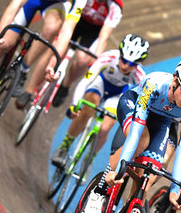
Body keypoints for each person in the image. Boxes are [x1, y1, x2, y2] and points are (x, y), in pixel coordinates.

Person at [68, 56, 181, 213]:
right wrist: (120, 168)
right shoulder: (155, 83)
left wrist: (175, 188)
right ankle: (100, 190)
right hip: (133, 108)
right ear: (175, 81)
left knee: (148, 179)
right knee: (141, 139)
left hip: (163, 123)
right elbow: (136, 132)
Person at [0, 0, 88, 107]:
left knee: (53, 27)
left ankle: (23, 68)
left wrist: (53, 65)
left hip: (54, 6)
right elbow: (17, 3)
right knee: (3, 44)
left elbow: (66, 32)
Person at [50, 33, 148, 167]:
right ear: (119, 54)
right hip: (100, 84)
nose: (125, 66)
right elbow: (85, 82)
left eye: (131, 64)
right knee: (86, 111)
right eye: (124, 60)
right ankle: (64, 147)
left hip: (118, 93)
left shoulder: (140, 75)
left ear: (138, 64)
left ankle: (90, 158)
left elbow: (143, 103)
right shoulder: (108, 57)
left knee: (104, 128)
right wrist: (75, 105)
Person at [51, 0, 125, 108]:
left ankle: (65, 85)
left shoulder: (115, 7)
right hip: (75, 20)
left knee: (83, 59)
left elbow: (103, 37)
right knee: (57, 48)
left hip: (93, 30)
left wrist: (96, 61)